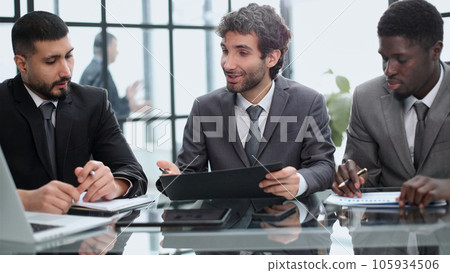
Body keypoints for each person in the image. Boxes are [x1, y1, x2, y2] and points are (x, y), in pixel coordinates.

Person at [157, 3, 335, 200]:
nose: (228, 63)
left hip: (289, 223)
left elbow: (324, 166)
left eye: (242, 53)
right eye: (225, 50)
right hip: (226, 224)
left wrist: (299, 181)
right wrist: (176, 181)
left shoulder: (308, 102)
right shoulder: (204, 107)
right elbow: (189, 173)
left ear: (272, 58)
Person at [0, 11, 148, 214]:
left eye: (68, 56)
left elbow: (134, 173)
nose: (66, 71)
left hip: (84, 238)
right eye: (51, 61)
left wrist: (114, 185)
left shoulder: (94, 102)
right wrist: (23, 200)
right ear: (22, 64)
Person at [331, 0, 450, 207]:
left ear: (435, 51)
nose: (389, 70)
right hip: (390, 231)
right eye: (385, 58)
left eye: (401, 59)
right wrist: (352, 180)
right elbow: (365, 182)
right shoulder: (367, 98)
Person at [80, 32, 146, 120]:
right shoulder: (99, 72)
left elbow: (109, 104)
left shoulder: (97, 69)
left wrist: (126, 99)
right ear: (107, 48)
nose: (117, 52)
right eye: (115, 46)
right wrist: (129, 108)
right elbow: (104, 112)